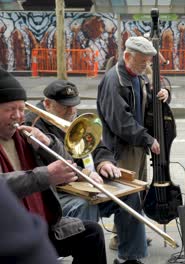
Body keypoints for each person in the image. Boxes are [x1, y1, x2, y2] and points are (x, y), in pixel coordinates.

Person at [24, 79, 148, 264]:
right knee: (83, 205)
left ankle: (131, 258)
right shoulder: (33, 124)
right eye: (65, 107)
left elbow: (96, 145)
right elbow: (42, 165)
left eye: (74, 105)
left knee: (131, 195)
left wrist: (104, 162)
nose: (72, 111)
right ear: (47, 104)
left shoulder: (72, 117)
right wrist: (84, 173)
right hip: (56, 191)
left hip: (87, 181)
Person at [0, 68, 106, 263]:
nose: (18, 116)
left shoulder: (24, 137)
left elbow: (68, 161)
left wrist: (48, 143)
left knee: (92, 234)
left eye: (22, 109)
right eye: (10, 110)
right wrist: (46, 175)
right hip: (7, 234)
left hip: (44, 225)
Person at [97, 36, 171, 183]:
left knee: (139, 191)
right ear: (127, 56)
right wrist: (147, 139)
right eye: (142, 60)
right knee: (128, 194)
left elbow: (148, 103)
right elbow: (121, 122)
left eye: (148, 60)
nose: (146, 65)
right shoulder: (115, 81)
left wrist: (165, 95)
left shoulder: (138, 76)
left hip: (137, 144)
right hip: (123, 150)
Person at [0, 177, 59, 263]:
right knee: (79, 204)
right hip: (30, 227)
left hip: (46, 221)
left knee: (84, 230)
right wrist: (45, 175)